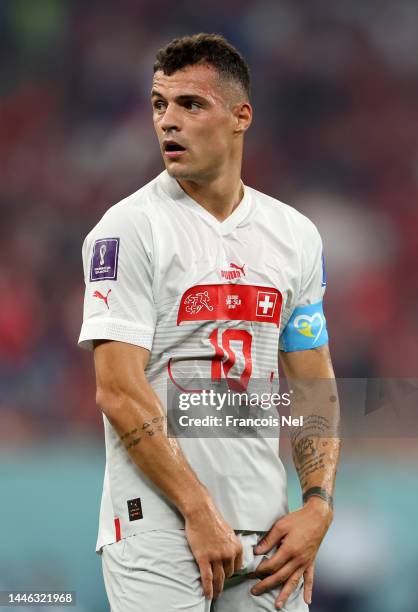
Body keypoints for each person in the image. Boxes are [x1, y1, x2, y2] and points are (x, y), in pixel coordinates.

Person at [78, 33, 340, 612]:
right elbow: (118, 391)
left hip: (269, 534)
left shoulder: (295, 235)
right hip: (160, 530)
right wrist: (197, 512)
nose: (167, 121)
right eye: (158, 104)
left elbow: (311, 381)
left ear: (240, 116)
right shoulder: (129, 229)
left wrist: (317, 504)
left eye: (190, 105)